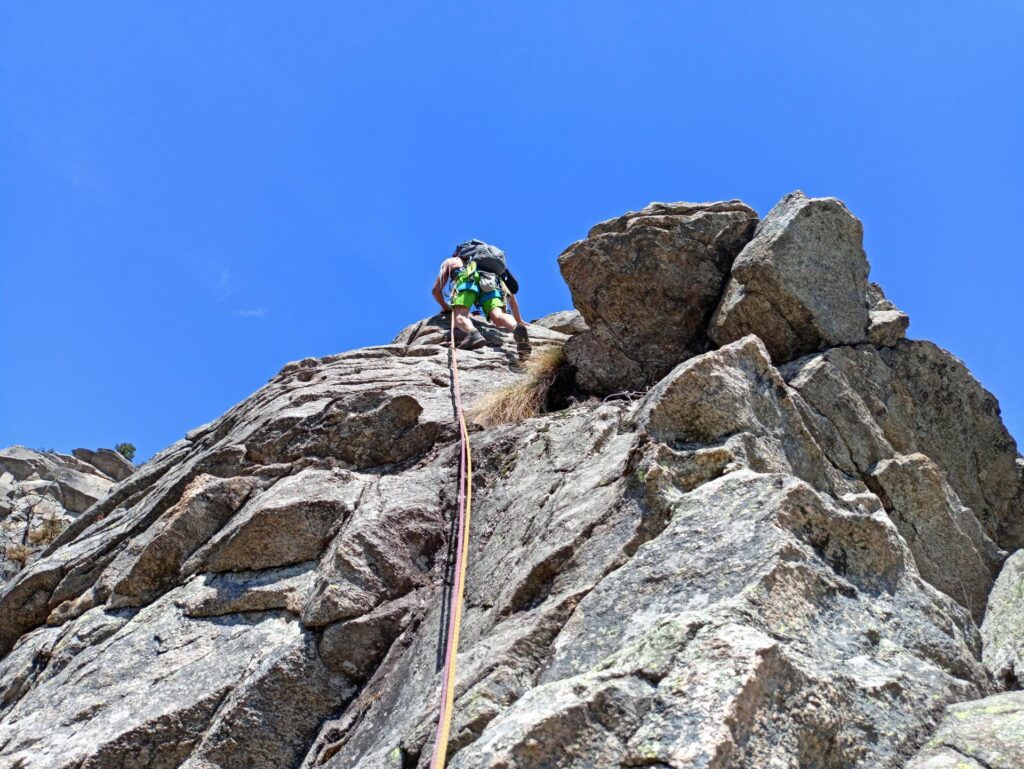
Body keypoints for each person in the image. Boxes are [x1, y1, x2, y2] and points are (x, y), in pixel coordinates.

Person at [432, 239, 532, 357]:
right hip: (491, 282)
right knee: (498, 316)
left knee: (459, 317)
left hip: (468, 280)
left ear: (459, 252)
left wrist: (445, 307)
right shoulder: (490, 269)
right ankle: (516, 328)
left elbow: (436, 290)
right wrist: (519, 320)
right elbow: (512, 298)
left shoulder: (452, 261)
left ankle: (473, 334)